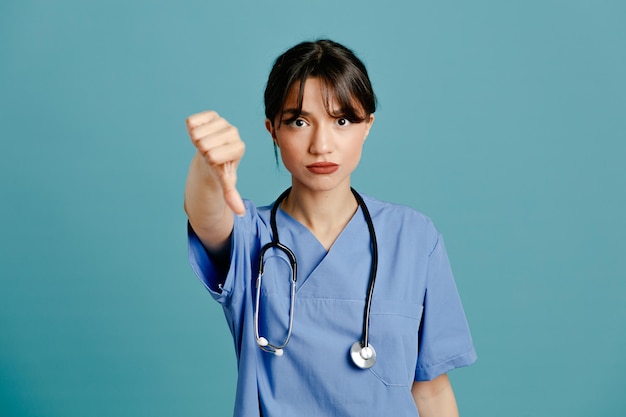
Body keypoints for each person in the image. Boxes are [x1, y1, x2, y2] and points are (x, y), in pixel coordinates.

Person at [184, 39, 476, 417]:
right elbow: (205, 215)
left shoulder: (414, 238)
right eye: (299, 121)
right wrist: (208, 169)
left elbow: (431, 391)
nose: (321, 145)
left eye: (342, 120)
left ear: (367, 126)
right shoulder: (251, 238)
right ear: (273, 130)